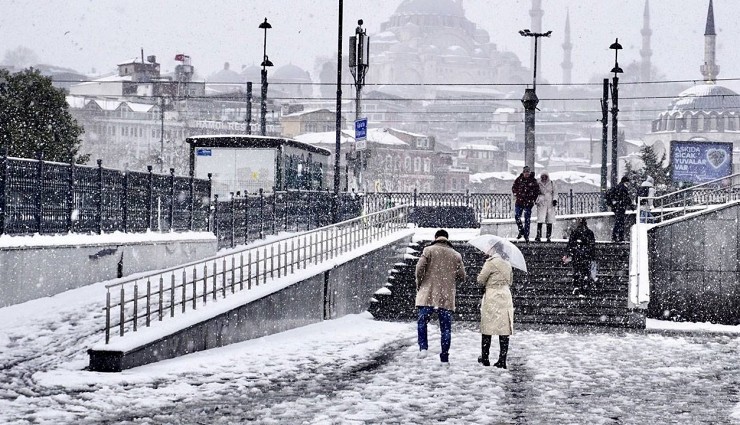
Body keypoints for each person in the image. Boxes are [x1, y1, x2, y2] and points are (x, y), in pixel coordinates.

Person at [415, 229, 466, 363]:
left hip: (428, 294)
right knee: (446, 328)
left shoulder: (428, 250)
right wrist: (450, 279)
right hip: (446, 296)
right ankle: (444, 356)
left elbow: (419, 269)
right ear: (447, 239)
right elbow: (462, 276)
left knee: (422, 321)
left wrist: (420, 284)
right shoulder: (456, 255)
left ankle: (423, 347)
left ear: (436, 237)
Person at [477, 245, 514, 369]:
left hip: (492, 295)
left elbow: (481, 280)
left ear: (493, 249)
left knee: (487, 327)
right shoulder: (507, 262)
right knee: (504, 328)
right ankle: (502, 360)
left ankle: (485, 358)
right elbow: (510, 281)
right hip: (505, 295)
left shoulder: (491, 262)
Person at [563, 218, 596, 296]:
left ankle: (577, 287)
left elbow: (570, 244)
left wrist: (568, 253)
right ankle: (584, 287)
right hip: (585, 256)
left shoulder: (575, 232)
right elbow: (592, 245)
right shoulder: (589, 232)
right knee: (585, 272)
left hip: (578, 256)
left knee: (577, 272)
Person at [511, 166, 540, 242]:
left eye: (528, 172)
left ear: (529, 173)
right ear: (523, 173)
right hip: (519, 202)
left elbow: (537, 191)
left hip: (528, 202)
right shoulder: (519, 179)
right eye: (525, 172)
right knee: (517, 216)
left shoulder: (533, 180)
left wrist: (532, 199)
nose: (526, 173)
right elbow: (514, 187)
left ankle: (526, 235)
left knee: (527, 219)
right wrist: (517, 194)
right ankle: (521, 230)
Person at [607, 176, 635, 242]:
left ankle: (616, 237)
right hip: (620, 207)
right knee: (620, 223)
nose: (628, 184)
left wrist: (613, 204)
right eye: (628, 183)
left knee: (618, 222)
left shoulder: (617, 187)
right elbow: (626, 198)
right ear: (625, 182)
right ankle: (619, 237)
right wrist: (631, 206)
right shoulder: (623, 188)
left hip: (616, 207)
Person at [535, 172, 557, 242]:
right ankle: (538, 236)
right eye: (543, 176)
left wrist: (554, 200)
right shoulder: (538, 183)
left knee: (549, 220)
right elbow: (535, 192)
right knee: (540, 220)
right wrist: (537, 200)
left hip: (549, 203)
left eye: (545, 176)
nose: (544, 178)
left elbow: (555, 192)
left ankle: (548, 236)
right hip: (542, 203)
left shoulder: (552, 183)